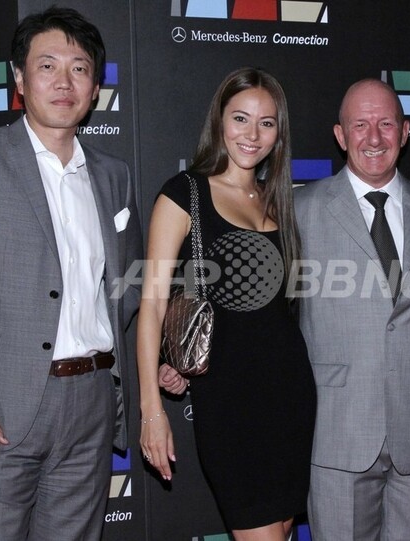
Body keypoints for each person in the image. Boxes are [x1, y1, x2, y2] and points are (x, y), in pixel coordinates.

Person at [0, 6, 142, 540]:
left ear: (95, 88)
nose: (64, 82)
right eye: (47, 66)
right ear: (19, 78)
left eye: (79, 68)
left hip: (91, 403)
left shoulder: (113, 175)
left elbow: (129, 283)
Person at [292, 78, 410, 540]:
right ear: (340, 136)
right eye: (360, 125)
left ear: (405, 131)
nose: (374, 137)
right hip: (336, 433)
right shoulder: (300, 209)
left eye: (386, 124)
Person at [138, 67, 316, 541]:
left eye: (266, 123)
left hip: (290, 393)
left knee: (282, 527)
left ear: (279, 133)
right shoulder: (185, 194)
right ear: (219, 121)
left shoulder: (277, 201)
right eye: (240, 118)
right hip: (230, 403)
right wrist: (152, 410)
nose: (252, 135)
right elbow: (152, 305)